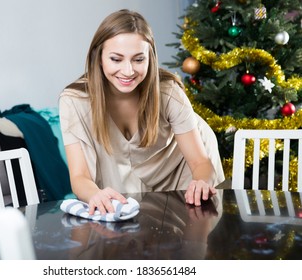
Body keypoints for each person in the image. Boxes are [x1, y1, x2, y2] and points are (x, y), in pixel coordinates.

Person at [59, 9, 225, 215]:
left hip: (178, 164)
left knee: (194, 231)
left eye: (138, 60)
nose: (128, 71)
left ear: (150, 58)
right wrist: (94, 194)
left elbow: (200, 162)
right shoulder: (74, 100)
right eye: (116, 59)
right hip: (127, 175)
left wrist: (200, 181)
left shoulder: (169, 91)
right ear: (98, 56)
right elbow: (79, 176)